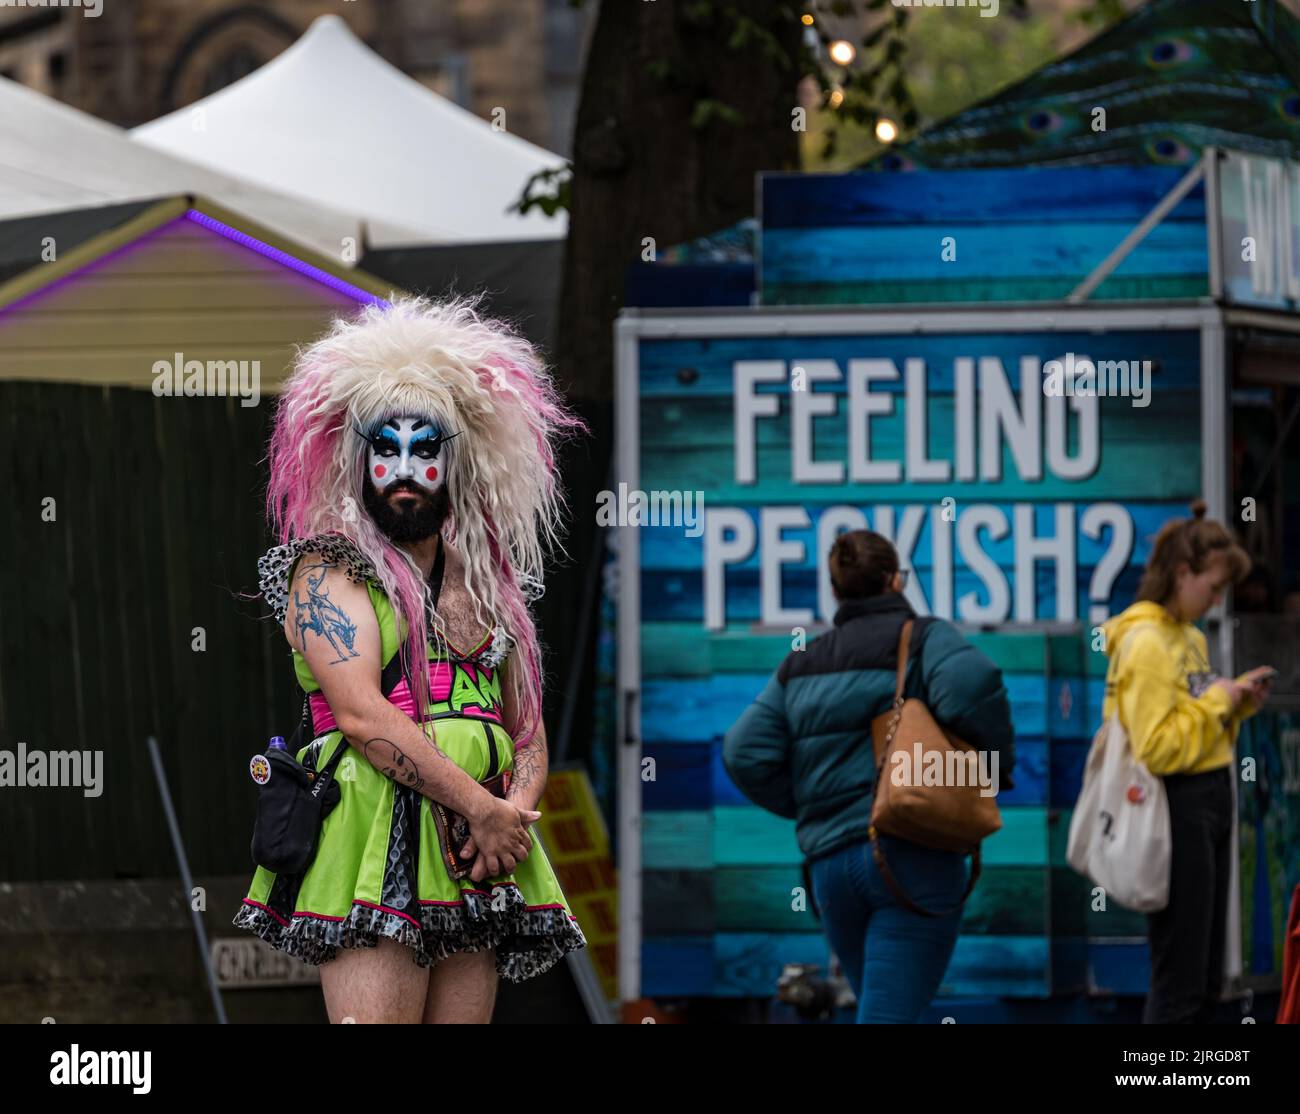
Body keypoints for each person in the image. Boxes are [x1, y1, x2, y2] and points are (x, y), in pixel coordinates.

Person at [233, 294, 588, 1023]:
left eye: (424, 450)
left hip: (477, 848)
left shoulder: (492, 580)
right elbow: (363, 717)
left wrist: (507, 821)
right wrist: (479, 808)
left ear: (454, 461)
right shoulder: (328, 571)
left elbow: (525, 729)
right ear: (358, 459)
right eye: (385, 449)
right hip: (377, 833)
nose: (403, 467)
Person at [723, 529, 1015, 1023]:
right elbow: (975, 684)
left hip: (831, 873)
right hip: (908, 855)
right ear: (894, 578)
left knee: (890, 1008)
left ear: (835, 590)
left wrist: (817, 804)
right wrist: (992, 771)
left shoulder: (802, 663)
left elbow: (741, 751)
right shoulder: (924, 638)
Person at [1100, 500, 1273, 1024]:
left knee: (1205, 978)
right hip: (1175, 806)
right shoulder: (1147, 643)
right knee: (1178, 975)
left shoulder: (1189, 637)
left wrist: (1234, 705)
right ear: (1181, 573)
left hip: (1210, 797)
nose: (1217, 599)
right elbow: (1156, 747)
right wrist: (1220, 701)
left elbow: (1193, 719)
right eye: (1212, 587)